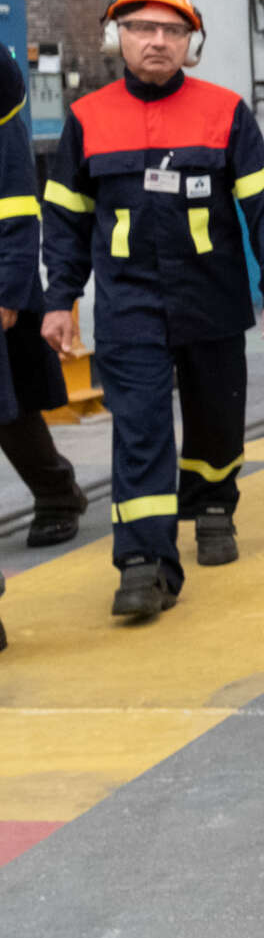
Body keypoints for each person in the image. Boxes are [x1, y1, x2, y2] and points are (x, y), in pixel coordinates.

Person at [42, 0, 264, 620]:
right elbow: (67, 220)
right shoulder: (88, 119)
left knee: (217, 415)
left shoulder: (225, 111)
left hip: (210, 297)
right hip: (129, 306)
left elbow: (263, 208)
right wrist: (58, 300)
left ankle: (212, 506)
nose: (156, 42)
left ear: (191, 43)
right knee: (140, 431)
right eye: (141, 29)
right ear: (116, 37)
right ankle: (143, 562)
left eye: (171, 31)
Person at [0, 34, 71, 650]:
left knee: (11, 406)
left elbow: (18, 200)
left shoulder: (0, 87)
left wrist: (9, 289)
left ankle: (55, 491)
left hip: (3, 279)